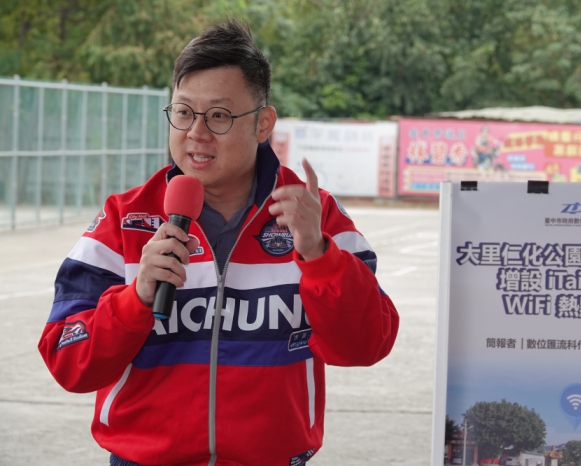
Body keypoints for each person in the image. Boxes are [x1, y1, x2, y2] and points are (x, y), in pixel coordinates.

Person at [38, 17, 399, 466]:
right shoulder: (124, 219)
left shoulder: (314, 215)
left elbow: (368, 344)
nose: (197, 132)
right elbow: (67, 360)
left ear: (263, 123)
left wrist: (320, 258)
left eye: (219, 116)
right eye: (184, 112)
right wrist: (136, 300)